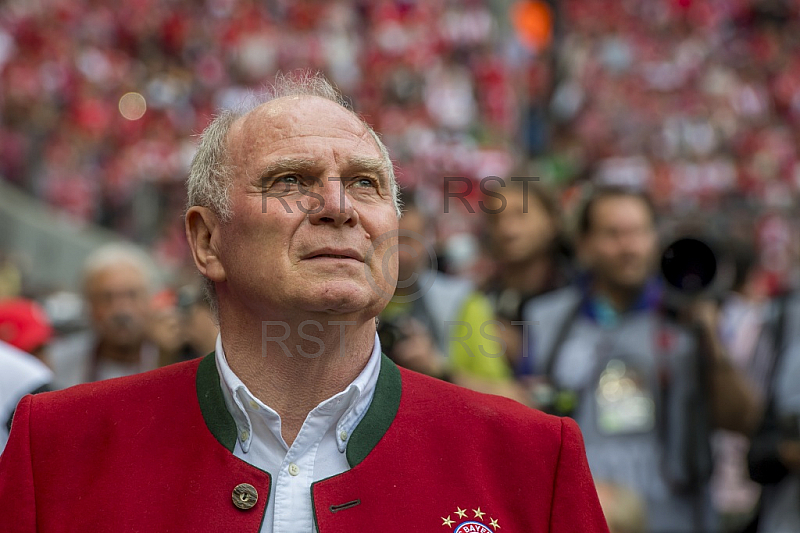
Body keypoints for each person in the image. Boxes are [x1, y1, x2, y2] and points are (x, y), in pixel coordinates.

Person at [0, 73, 609, 532]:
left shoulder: (533, 458)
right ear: (208, 240)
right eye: (290, 180)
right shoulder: (54, 444)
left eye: (365, 184)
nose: (339, 207)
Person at [523, 185, 759, 533]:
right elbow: (526, 418)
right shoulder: (546, 320)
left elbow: (743, 419)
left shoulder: (690, 318)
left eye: (638, 232)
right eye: (613, 234)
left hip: (679, 518)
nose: (628, 247)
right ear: (584, 245)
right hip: (585, 517)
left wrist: (710, 338)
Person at [378, 192, 526, 402]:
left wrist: (436, 366)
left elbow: (506, 396)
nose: (401, 253)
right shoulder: (353, 303)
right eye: (390, 240)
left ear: (430, 239)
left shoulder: (464, 303)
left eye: (409, 240)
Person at [47, 243, 161, 388]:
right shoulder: (57, 362)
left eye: (132, 295)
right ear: (89, 305)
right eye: (107, 298)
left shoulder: (167, 359)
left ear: (150, 300)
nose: (121, 310)